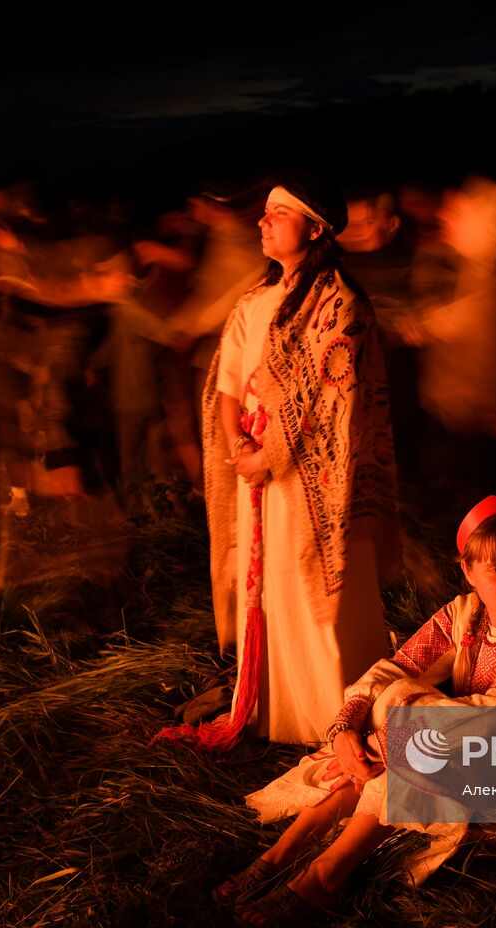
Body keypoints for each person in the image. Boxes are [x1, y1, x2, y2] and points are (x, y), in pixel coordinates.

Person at [220, 497, 496, 924]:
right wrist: (346, 729)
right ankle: (281, 855)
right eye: (495, 568)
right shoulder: (465, 613)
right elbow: (395, 669)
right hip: (484, 749)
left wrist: (385, 744)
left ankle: (325, 876)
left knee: (422, 742)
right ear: (468, 571)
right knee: (401, 697)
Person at [160, 177, 398, 748]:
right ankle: (276, 712)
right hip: (256, 472)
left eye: (278, 213)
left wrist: (271, 454)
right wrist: (240, 449)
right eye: (263, 213)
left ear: (315, 228)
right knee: (266, 589)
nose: (262, 223)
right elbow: (227, 384)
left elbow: (334, 397)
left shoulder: (341, 304)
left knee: (315, 596)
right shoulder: (252, 302)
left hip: (314, 480)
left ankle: (332, 716)